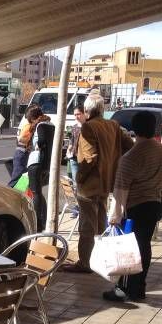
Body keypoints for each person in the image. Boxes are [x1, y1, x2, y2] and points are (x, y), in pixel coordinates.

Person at [103, 110, 162, 302]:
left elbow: (120, 190)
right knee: (144, 246)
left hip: (134, 207)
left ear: (134, 129)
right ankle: (139, 286)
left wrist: (114, 215)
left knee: (129, 250)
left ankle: (124, 289)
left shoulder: (130, 157)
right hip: (155, 204)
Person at [62, 91, 134, 272]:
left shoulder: (88, 127)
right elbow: (130, 146)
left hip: (90, 185)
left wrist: (79, 177)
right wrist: (114, 163)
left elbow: (89, 158)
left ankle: (85, 262)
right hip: (106, 183)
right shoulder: (114, 125)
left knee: (87, 225)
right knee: (101, 222)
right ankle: (99, 259)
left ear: (87, 110)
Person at [27, 121, 55, 231]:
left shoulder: (40, 125)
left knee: (35, 192)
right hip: (45, 163)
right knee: (38, 192)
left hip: (36, 161)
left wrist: (37, 145)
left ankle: (37, 222)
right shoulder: (51, 126)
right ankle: (41, 220)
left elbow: (41, 141)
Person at [10, 105, 47, 187]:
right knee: (20, 178)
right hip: (25, 154)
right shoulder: (40, 125)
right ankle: (10, 196)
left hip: (22, 153)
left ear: (32, 117)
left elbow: (20, 139)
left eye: (28, 118)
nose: (27, 120)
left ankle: (15, 196)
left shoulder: (30, 126)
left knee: (20, 179)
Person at [67, 105, 87, 188]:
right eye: (75, 115)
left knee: (84, 182)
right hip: (74, 157)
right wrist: (69, 150)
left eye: (78, 114)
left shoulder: (89, 126)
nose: (76, 116)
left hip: (85, 159)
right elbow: (72, 141)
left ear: (84, 114)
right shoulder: (74, 127)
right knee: (76, 182)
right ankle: (77, 199)